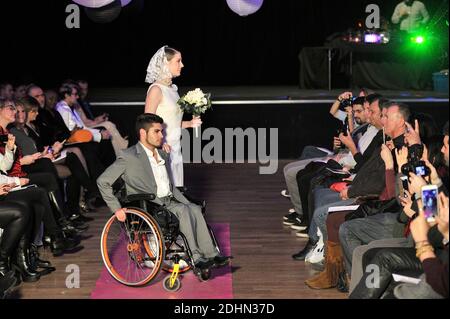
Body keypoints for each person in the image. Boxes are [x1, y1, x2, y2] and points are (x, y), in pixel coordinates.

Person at [97, 113, 231, 270]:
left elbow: (164, 182)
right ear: (142, 133)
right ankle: (196, 257)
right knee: (183, 210)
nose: (161, 135)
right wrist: (116, 208)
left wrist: (165, 156)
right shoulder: (128, 156)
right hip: (150, 205)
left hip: (169, 200)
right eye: (157, 131)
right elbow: (102, 181)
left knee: (194, 209)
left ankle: (211, 254)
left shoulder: (161, 154)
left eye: (161, 131)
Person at [144, 46, 202, 188]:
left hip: (175, 147)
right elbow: (147, 121)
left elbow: (170, 121)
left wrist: (189, 123)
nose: (182, 65)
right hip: (162, 149)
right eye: (178, 61)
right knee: (165, 191)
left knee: (176, 189)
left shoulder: (172, 89)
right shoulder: (156, 89)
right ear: (166, 64)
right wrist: (159, 144)